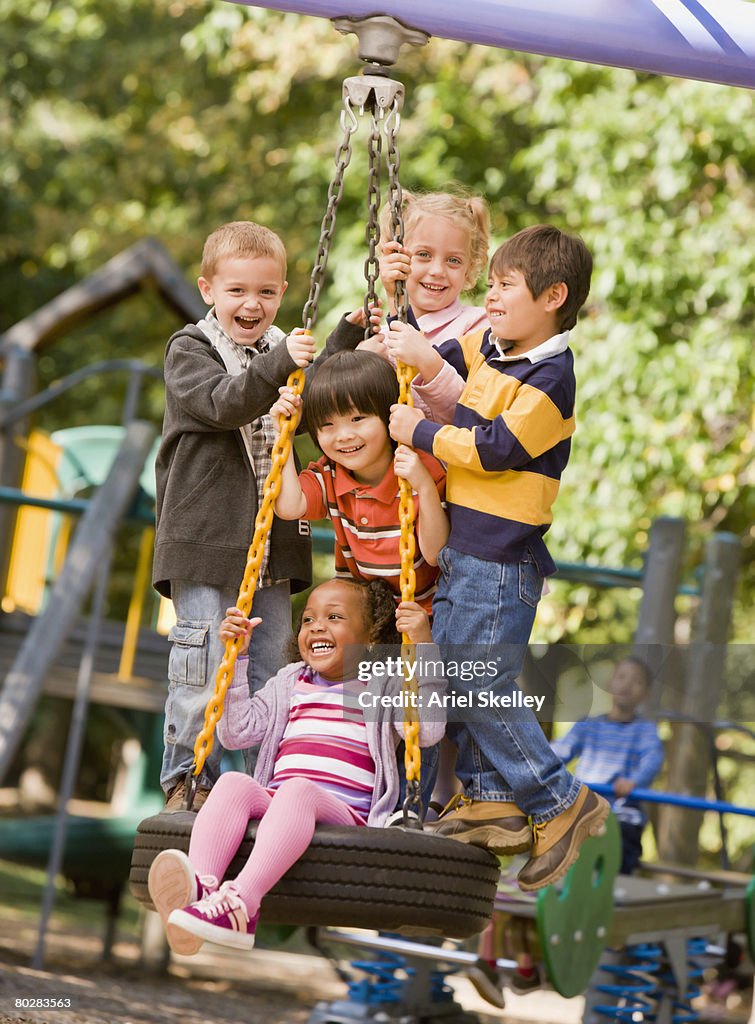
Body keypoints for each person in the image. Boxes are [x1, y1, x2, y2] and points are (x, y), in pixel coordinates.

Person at [388, 224, 609, 892]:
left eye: (503, 286)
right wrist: (397, 294)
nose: (489, 299)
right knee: (462, 677)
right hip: (466, 548)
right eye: (489, 286)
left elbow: (494, 448)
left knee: (475, 680)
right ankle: (491, 800)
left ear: (552, 296)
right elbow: (422, 350)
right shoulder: (491, 345)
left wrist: (420, 431)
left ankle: (557, 799)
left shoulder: (550, 376)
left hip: (501, 558)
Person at [152, 221, 362, 811]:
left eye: (267, 293)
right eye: (238, 290)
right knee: (205, 662)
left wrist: (343, 335)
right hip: (204, 540)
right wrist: (280, 366)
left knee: (269, 674)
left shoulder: (278, 353)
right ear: (208, 290)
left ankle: (264, 785)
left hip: (275, 543)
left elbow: (315, 391)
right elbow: (224, 403)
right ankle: (189, 779)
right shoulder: (189, 350)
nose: (253, 304)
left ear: (283, 292)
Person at [147, 577, 442, 953]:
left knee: (298, 791)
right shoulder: (292, 681)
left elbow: (428, 731)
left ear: (370, 638)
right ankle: (202, 889)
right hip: (282, 800)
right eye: (307, 619)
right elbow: (237, 733)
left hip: (346, 812)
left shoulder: (379, 684)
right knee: (235, 783)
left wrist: (422, 648)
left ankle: (242, 902)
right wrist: (235, 659)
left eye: (334, 617)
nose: (316, 626)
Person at [271, 349, 449, 615]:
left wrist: (423, 486)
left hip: (425, 612)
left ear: (389, 416)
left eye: (357, 419)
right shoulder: (330, 474)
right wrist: (284, 434)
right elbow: (289, 507)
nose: (343, 435)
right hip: (366, 617)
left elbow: (435, 553)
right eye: (328, 425)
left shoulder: (419, 468)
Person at [362, 189, 490, 424]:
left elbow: (471, 415)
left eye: (453, 260)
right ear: (396, 254)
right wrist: (361, 365)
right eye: (423, 254)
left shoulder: (479, 328)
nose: (438, 271)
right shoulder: (380, 336)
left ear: (469, 269)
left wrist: (428, 361)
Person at [551, 656, 664, 875]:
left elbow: (653, 759)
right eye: (621, 677)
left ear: (646, 694)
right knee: (552, 830)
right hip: (584, 810)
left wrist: (634, 781)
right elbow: (560, 752)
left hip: (622, 815)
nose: (627, 685)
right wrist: (537, 760)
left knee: (619, 848)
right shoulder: (589, 726)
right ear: (611, 684)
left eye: (637, 682)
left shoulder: (645, 731)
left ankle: (615, 884)